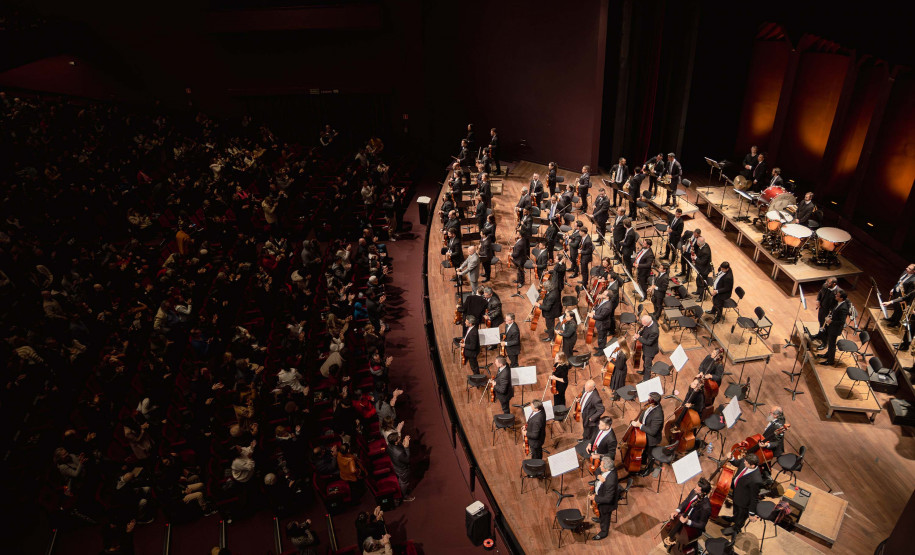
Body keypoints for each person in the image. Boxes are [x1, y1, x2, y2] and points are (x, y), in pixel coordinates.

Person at [721, 453, 764, 536]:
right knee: (736, 511)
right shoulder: (746, 461)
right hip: (737, 493)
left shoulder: (756, 480)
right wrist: (731, 458)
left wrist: (751, 513)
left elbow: (754, 498)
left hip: (743, 501)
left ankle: (736, 528)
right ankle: (734, 518)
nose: (744, 462)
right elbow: (737, 463)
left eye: (746, 463)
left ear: (752, 466)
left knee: (741, 516)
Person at [664, 478, 713, 550]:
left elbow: (702, 525)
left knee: (684, 535)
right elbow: (686, 501)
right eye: (695, 487)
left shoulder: (706, 507)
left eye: (697, 489)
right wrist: (677, 510)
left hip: (693, 525)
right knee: (673, 519)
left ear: (704, 493)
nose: (694, 489)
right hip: (684, 515)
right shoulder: (694, 491)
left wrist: (688, 522)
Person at [631, 392, 664, 476]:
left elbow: (653, 432)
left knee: (649, 454)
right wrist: (638, 420)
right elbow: (644, 414)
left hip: (651, 439)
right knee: (644, 452)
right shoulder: (650, 405)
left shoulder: (658, 415)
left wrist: (640, 425)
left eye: (649, 399)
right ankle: (642, 462)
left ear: (653, 401)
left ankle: (649, 468)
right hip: (645, 432)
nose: (647, 400)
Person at [814, 289, 849, 365]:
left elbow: (842, 322)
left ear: (841, 298)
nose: (835, 296)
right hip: (831, 327)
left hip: (835, 329)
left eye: (837, 296)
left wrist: (831, 321)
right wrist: (830, 317)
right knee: (830, 343)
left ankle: (830, 361)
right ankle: (828, 355)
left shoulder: (843, 308)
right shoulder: (838, 303)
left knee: (832, 345)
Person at [589, 458, 619, 541]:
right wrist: (599, 476)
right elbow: (597, 470)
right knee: (601, 513)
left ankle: (603, 533)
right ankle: (600, 518)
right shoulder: (608, 468)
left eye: (601, 466)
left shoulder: (610, 481)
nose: (599, 467)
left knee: (605, 518)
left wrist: (594, 498)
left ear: (607, 469)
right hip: (602, 494)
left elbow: (608, 499)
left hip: (606, 504)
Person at [387, 432, 415, 502]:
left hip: (396, 466)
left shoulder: (389, 445)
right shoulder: (399, 453)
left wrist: (403, 444)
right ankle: (404, 496)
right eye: (398, 438)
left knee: (401, 481)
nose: (400, 437)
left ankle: (401, 490)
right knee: (405, 483)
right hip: (403, 470)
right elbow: (407, 460)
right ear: (395, 442)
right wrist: (406, 447)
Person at [590, 289, 617, 354]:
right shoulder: (604, 300)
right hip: (601, 323)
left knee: (601, 338)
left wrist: (592, 316)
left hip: (603, 325)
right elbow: (598, 306)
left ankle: (601, 351)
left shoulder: (607, 307)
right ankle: (600, 348)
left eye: (603, 294)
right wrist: (594, 310)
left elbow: (601, 317)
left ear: (607, 297)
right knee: (601, 337)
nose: (602, 295)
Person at [636, 315, 659, 381]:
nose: (642, 324)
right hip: (646, 348)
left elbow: (649, 342)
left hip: (650, 351)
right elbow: (644, 330)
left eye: (643, 323)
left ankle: (646, 379)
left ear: (648, 322)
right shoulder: (648, 324)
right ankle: (644, 372)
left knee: (648, 366)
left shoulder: (654, 331)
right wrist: (639, 333)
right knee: (644, 360)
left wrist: (639, 338)